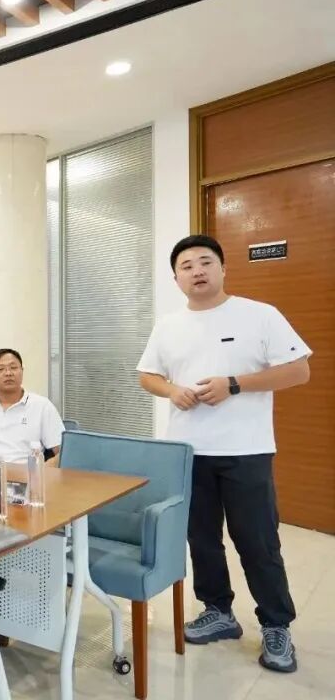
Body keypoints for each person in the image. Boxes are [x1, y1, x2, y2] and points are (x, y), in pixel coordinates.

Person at [137, 234, 310, 673]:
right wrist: (172, 391)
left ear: (222, 268)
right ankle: (218, 610)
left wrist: (233, 384)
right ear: (176, 278)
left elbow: (298, 371)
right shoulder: (169, 325)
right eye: (187, 266)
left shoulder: (259, 315)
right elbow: (147, 375)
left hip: (246, 450)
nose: (197, 271)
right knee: (201, 539)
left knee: (257, 540)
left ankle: (276, 625)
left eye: (205, 262)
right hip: (188, 452)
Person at [0, 348, 65, 464]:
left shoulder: (42, 406)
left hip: (27, 471)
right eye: (0, 369)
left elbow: (63, 453)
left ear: (22, 371)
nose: (8, 373)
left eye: (13, 367)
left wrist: (41, 470)